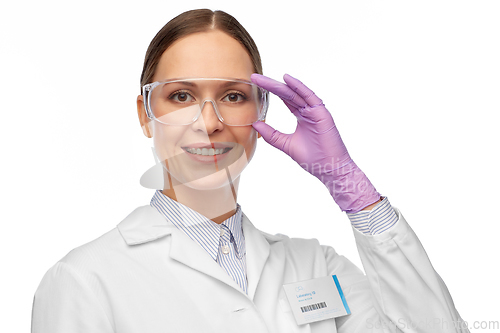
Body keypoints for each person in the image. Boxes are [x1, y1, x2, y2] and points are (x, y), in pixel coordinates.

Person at [31, 9, 469, 333]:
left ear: (261, 114)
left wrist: (350, 185)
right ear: (146, 114)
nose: (209, 122)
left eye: (234, 96)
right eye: (181, 96)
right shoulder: (84, 280)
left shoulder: (316, 265)